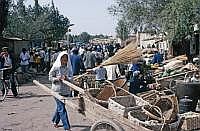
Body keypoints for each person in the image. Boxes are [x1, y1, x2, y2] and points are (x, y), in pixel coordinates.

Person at [49, 51, 73, 131]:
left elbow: (71, 78)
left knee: (60, 107)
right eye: (63, 59)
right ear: (60, 59)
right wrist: (57, 79)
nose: (64, 61)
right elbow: (50, 77)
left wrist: (67, 78)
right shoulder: (55, 67)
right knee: (62, 109)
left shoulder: (69, 68)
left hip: (66, 91)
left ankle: (55, 121)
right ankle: (67, 127)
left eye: (66, 59)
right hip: (57, 91)